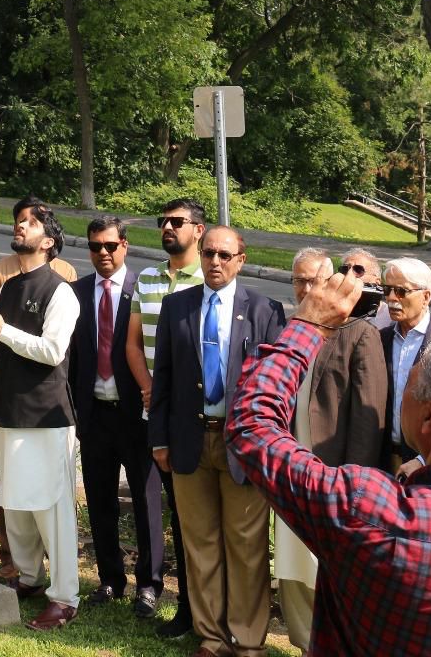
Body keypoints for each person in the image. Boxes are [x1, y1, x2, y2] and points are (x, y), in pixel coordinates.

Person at [229, 260, 431, 656]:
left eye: (411, 384)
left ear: (429, 417)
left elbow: (252, 425)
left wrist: (307, 327)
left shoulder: (363, 506)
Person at [148, 225, 284, 657]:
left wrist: (268, 446)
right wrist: (159, 440)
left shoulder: (265, 310)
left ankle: (246, 642)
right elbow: (163, 378)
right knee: (200, 545)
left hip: (242, 446)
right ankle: (210, 639)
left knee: (246, 548)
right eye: (209, 254)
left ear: (241, 260)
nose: (215, 262)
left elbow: (276, 388)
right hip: (189, 442)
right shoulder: (177, 307)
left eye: (225, 255)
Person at [275, 248, 387, 653]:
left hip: (333, 474)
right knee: (292, 563)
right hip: (292, 468)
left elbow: (367, 418)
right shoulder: (294, 327)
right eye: (299, 281)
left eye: (314, 281)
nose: (307, 289)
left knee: (327, 567)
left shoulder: (360, 333)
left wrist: (352, 485)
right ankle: (305, 642)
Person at [0, 201, 80, 632]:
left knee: (51, 507)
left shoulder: (61, 290)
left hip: (47, 415)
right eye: (19, 222)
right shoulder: (9, 287)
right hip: (8, 409)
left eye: (32, 223)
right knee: (16, 503)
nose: (21, 226)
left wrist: (3, 330)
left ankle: (65, 597)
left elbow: (53, 352)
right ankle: (29, 576)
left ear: (49, 241)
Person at [69, 215, 163, 617]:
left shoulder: (143, 291)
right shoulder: (73, 293)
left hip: (135, 415)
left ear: (125, 245)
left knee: (146, 502)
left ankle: (149, 584)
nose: (103, 254)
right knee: (100, 500)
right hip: (94, 415)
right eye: (95, 247)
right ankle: (110, 579)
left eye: (110, 246)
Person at [125, 196, 206, 640]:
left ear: (198, 228)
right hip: (154, 412)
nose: (167, 228)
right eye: (163, 222)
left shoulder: (208, 278)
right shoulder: (150, 278)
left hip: (194, 417)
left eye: (177, 222)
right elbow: (134, 344)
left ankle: (202, 609)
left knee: (194, 517)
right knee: (172, 510)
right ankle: (182, 606)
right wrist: (150, 389)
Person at [380, 257, 431, 472]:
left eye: (401, 291)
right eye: (388, 290)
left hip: (426, 465)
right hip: (383, 460)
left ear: (425, 297)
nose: (392, 298)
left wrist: (423, 460)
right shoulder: (379, 339)